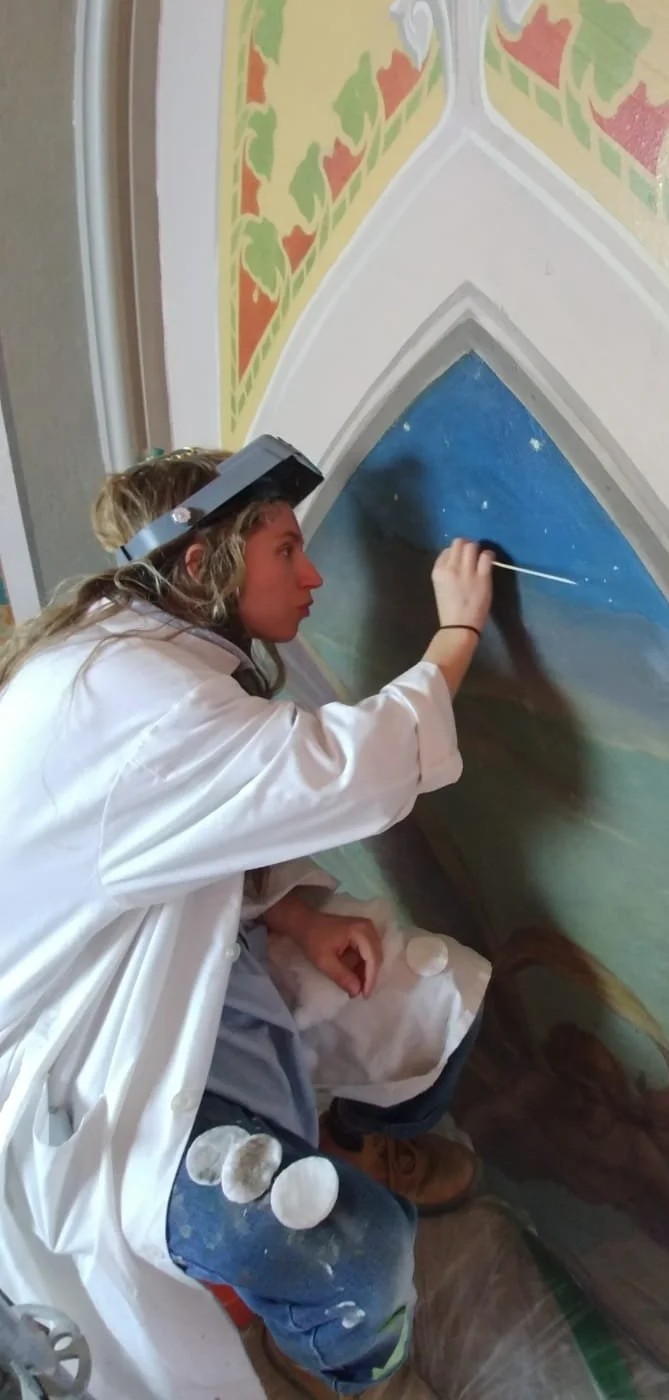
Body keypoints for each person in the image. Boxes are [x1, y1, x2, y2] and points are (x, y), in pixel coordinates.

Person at [0, 443, 495, 1400]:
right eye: (284, 552)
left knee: (439, 1001)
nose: (310, 577)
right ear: (202, 566)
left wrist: (295, 911)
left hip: (164, 967)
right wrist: (458, 633)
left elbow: (188, 825)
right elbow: (351, 766)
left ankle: (351, 1143)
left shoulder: (129, 645)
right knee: (350, 1256)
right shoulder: (136, 696)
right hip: (77, 1070)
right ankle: (341, 1360)